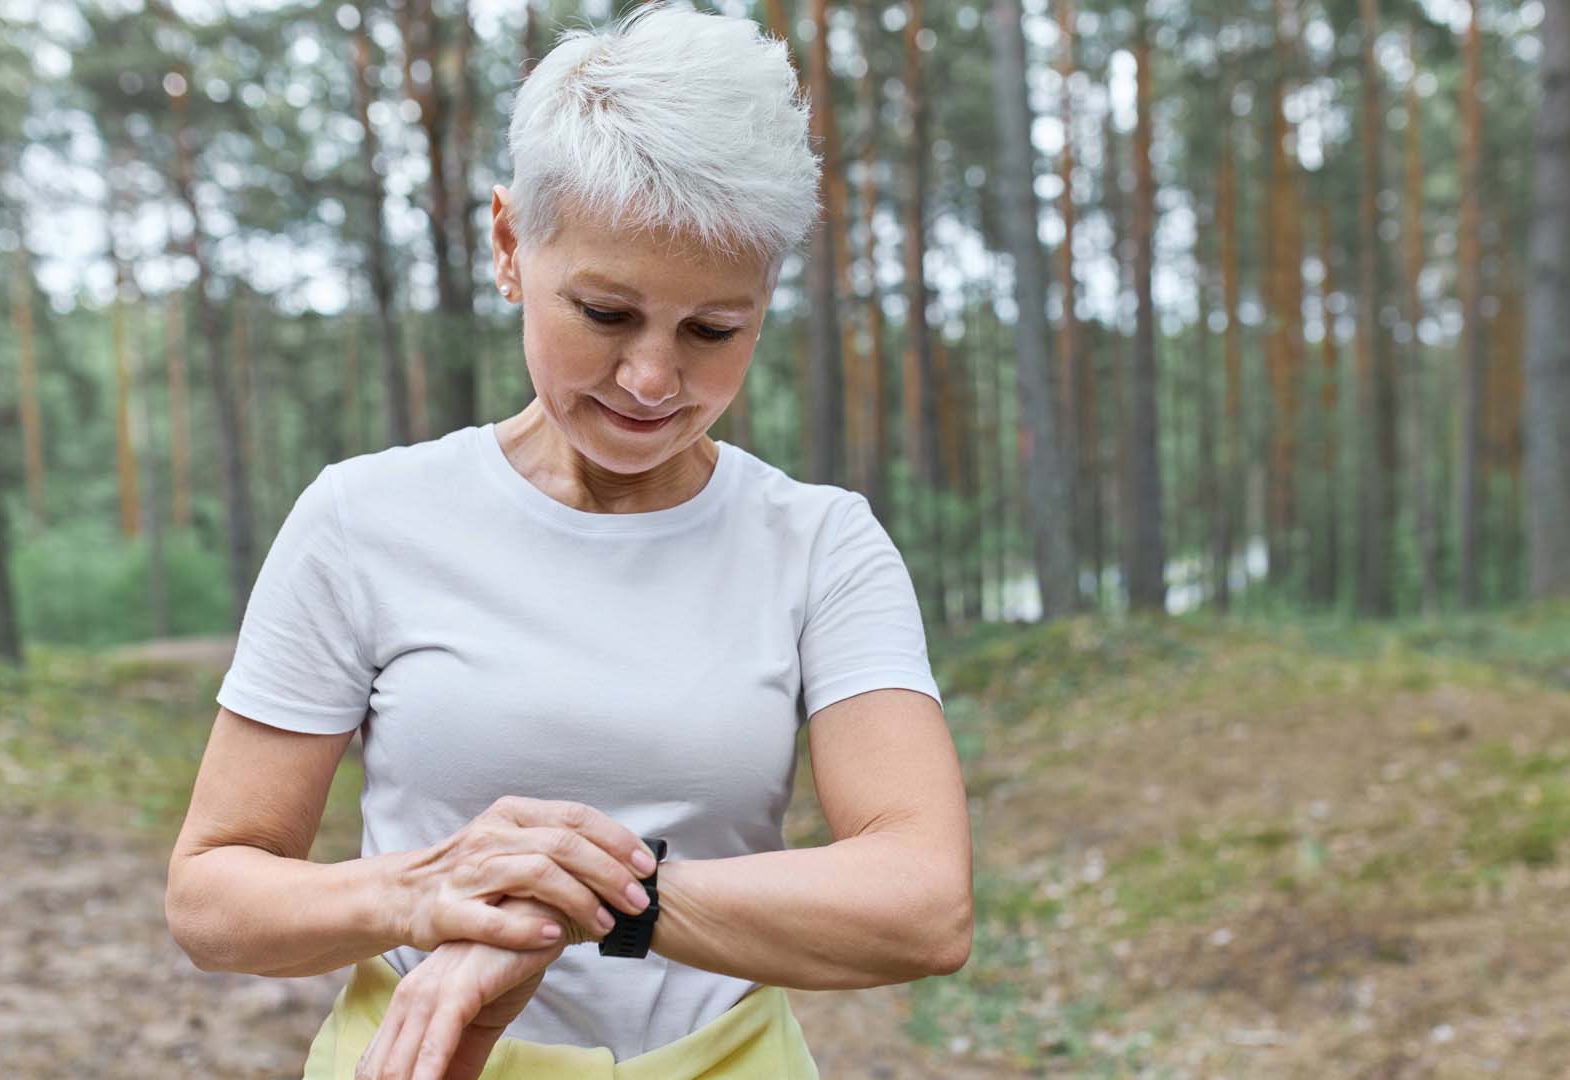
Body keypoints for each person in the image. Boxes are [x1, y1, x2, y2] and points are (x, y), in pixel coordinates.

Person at [162, 5, 973, 1077]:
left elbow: (923, 903)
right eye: (603, 313)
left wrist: (582, 901)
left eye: (711, 331)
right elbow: (214, 894)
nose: (651, 378)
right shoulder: (362, 522)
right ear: (509, 245)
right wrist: (422, 894)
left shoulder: (821, 546)